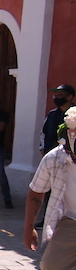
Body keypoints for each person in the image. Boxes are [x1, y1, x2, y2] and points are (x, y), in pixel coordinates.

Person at [22, 107, 76, 270]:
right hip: (70, 221)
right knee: (50, 266)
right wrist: (29, 228)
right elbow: (36, 193)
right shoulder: (54, 159)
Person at [35, 85, 75, 228]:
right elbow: (43, 132)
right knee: (49, 189)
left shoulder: (73, 114)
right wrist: (42, 148)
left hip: (71, 160)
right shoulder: (52, 115)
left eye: (61, 95)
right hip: (53, 158)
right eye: (55, 95)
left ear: (70, 97)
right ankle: (47, 218)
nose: (57, 98)